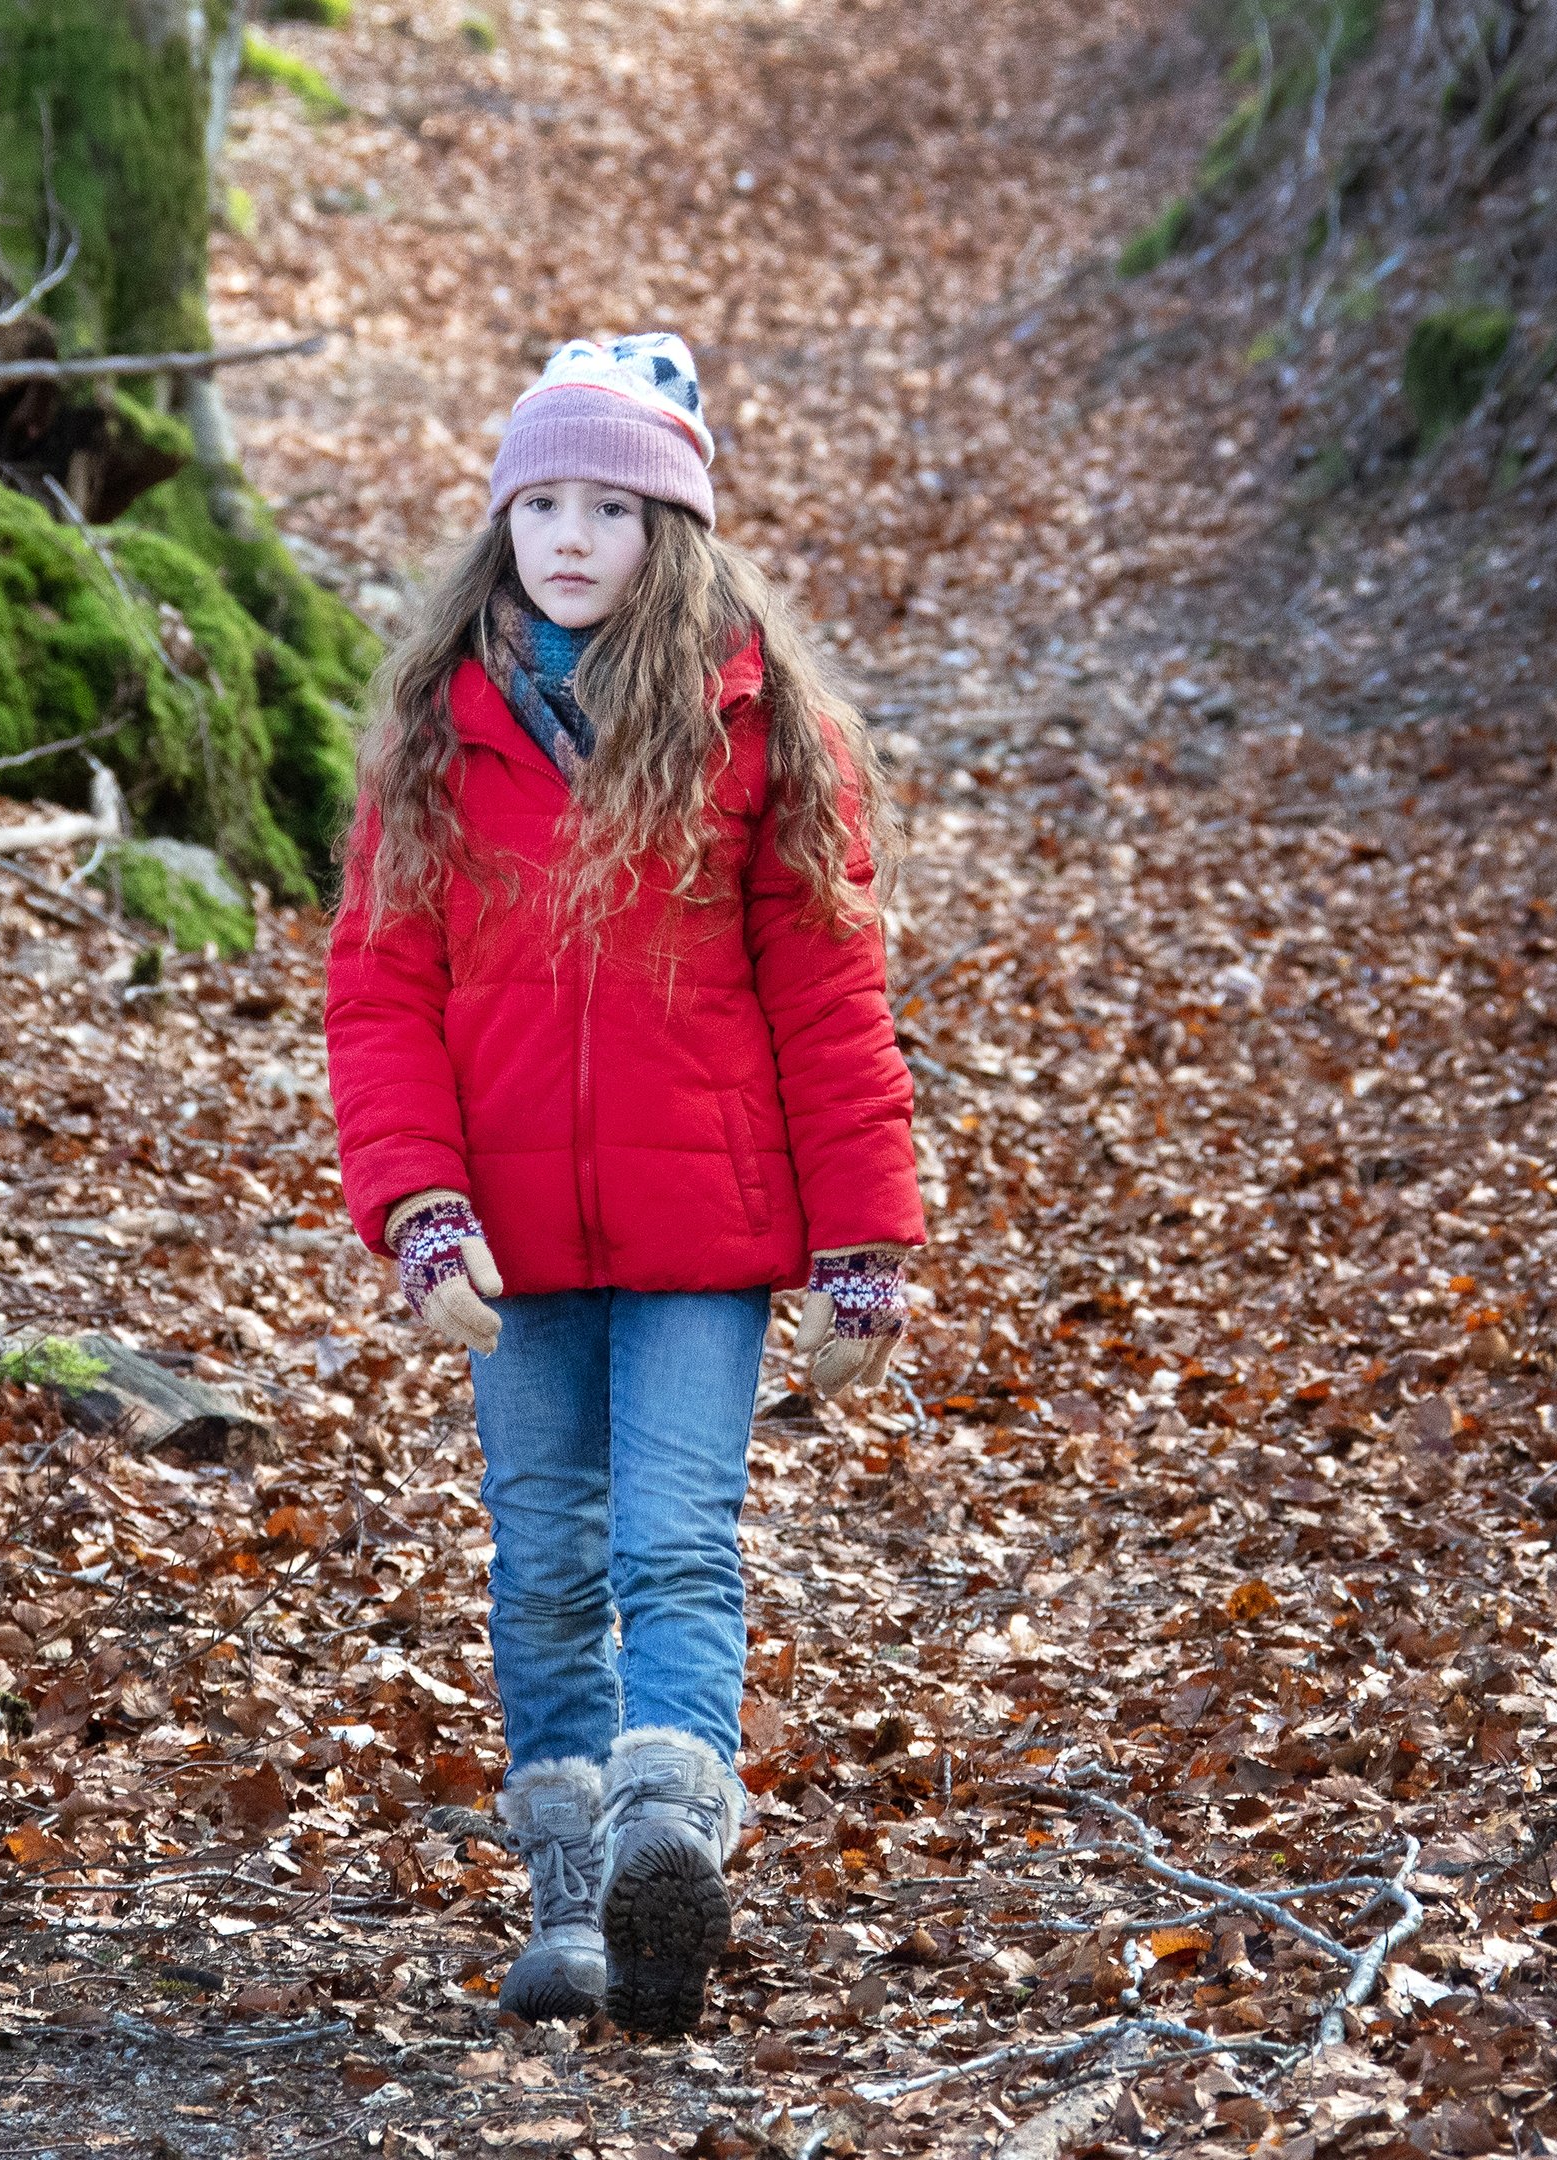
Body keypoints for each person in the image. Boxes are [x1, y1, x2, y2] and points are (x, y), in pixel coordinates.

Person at [322, 333, 924, 2038]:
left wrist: (865, 1240)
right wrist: (418, 1206)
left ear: (677, 531)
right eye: (542, 503)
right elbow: (379, 996)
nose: (571, 536)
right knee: (543, 1554)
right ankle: (574, 1895)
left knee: (674, 1541)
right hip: (505, 1237)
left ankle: (676, 1840)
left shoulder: (757, 729)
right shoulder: (440, 739)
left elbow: (829, 994)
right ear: (503, 520)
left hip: (702, 1236)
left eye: (613, 505)